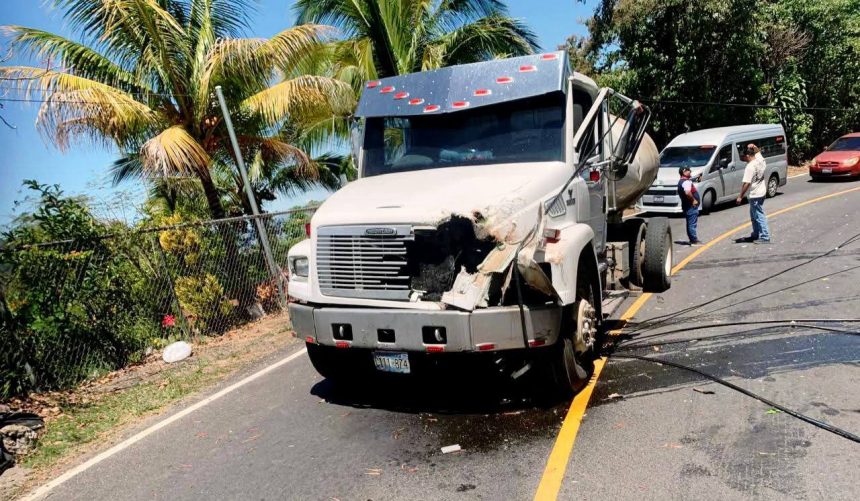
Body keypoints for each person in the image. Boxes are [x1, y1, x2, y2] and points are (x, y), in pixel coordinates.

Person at [736, 144, 771, 244]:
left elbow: (746, 183)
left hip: (755, 194)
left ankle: (765, 236)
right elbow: (758, 152)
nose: (742, 159)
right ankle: (756, 234)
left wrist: (740, 196)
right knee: (754, 216)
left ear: (747, 156)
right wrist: (754, 146)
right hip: (762, 192)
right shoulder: (760, 160)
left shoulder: (750, 167)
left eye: (742, 157)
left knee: (759, 216)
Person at [677, 166, 703, 246]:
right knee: (692, 224)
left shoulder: (682, 181)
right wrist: (693, 200)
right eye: (689, 170)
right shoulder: (686, 182)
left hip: (687, 206)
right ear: (684, 171)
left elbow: (690, 182)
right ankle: (694, 240)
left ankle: (692, 239)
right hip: (690, 206)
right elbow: (687, 192)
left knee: (689, 223)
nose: (690, 171)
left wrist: (697, 178)